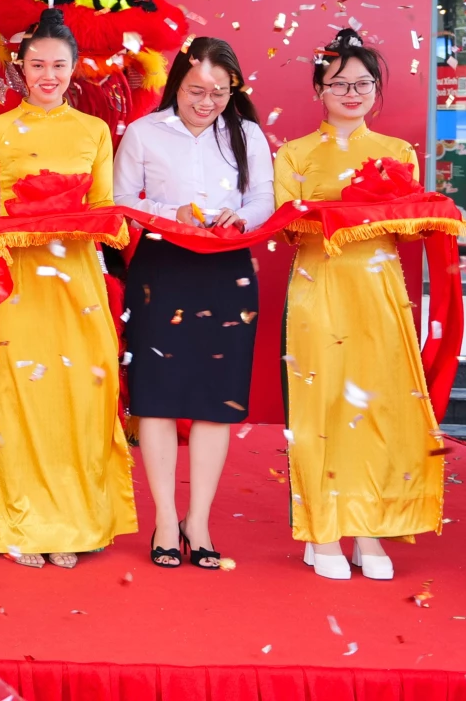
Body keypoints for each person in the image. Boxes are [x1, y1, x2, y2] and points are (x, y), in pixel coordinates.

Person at [0, 9, 137, 569]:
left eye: (59, 65)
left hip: (78, 282)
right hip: (17, 286)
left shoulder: (93, 132)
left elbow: (105, 210)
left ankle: (74, 524)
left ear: (74, 67)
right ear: (19, 66)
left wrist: (96, 223)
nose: (48, 75)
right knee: (24, 397)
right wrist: (3, 233)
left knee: (78, 398)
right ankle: (25, 524)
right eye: (37, 64)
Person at [275, 28, 444, 581]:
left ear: (377, 89)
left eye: (363, 83)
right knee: (322, 410)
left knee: (378, 407)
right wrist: (345, 211)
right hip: (319, 288)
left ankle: (368, 528)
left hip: (380, 293)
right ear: (318, 89)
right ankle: (323, 530)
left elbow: (411, 226)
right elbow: (287, 225)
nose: (352, 93)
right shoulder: (295, 153)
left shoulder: (397, 153)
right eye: (339, 83)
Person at [113, 37, 273, 571]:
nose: (207, 102)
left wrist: (240, 217)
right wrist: (169, 212)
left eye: (219, 92)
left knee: (215, 400)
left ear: (234, 90)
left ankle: (197, 520)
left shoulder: (248, 134)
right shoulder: (144, 132)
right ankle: (164, 518)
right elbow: (119, 199)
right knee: (156, 397)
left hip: (226, 272)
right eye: (195, 91)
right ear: (176, 84)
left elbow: (264, 198)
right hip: (162, 270)